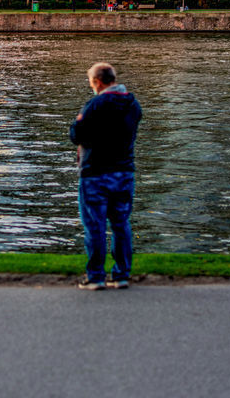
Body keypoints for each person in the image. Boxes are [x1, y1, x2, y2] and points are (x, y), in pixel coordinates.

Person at [69, 62, 142, 290]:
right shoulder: (132, 104)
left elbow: (76, 134)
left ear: (97, 82)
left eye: (91, 82)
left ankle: (96, 277)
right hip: (123, 171)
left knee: (95, 226)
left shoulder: (95, 104)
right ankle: (121, 275)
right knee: (121, 224)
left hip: (95, 172)